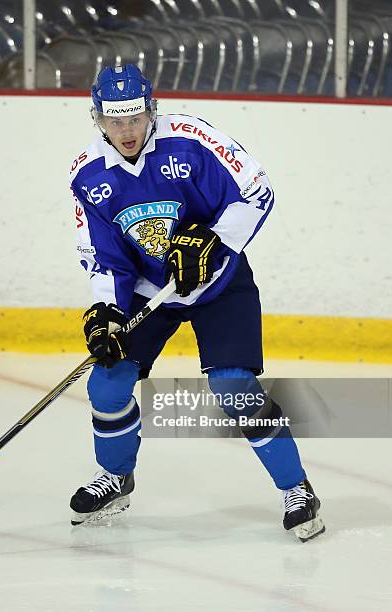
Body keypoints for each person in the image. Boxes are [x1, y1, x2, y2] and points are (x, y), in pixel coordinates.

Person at [69, 64, 325, 541]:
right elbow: (103, 255)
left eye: (135, 118)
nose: (127, 131)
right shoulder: (87, 175)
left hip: (218, 286)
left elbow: (256, 190)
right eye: (114, 121)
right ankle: (116, 478)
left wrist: (214, 242)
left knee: (234, 388)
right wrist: (106, 311)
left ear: (152, 110)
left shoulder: (192, 139)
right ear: (98, 119)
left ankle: (297, 489)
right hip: (150, 293)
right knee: (107, 385)